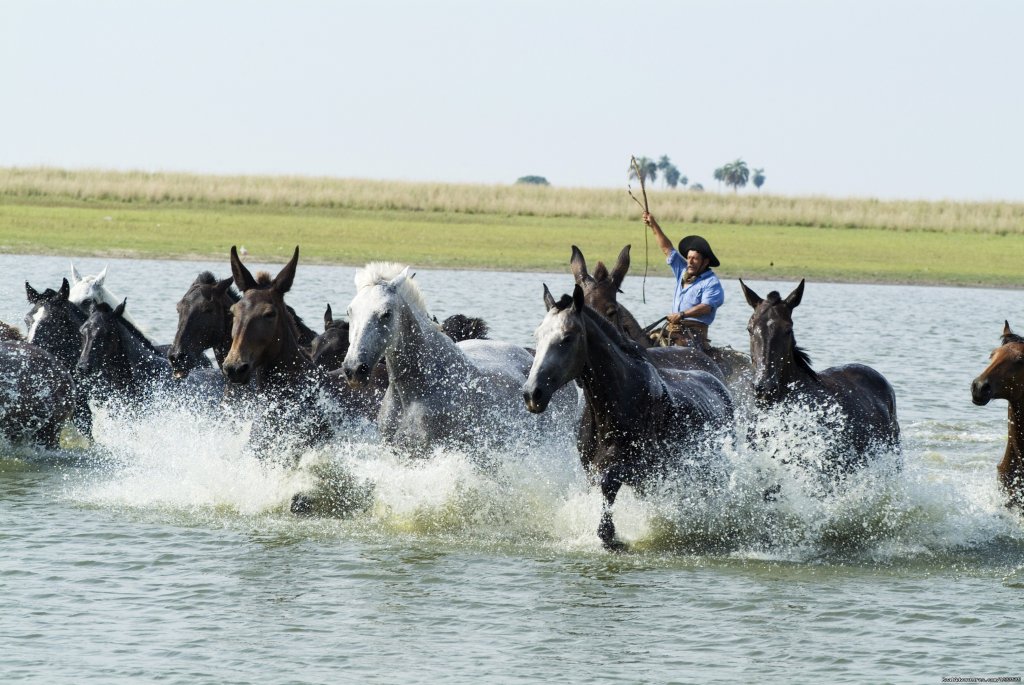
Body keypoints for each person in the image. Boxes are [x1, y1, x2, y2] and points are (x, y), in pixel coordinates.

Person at [642, 211, 724, 350]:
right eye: (688, 257)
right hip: (673, 329)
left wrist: (682, 314)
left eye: (695, 259)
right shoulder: (683, 271)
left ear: (705, 262)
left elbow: (706, 307)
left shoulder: (712, 283)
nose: (689, 262)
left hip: (695, 335)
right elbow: (667, 249)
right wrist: (653, 225)